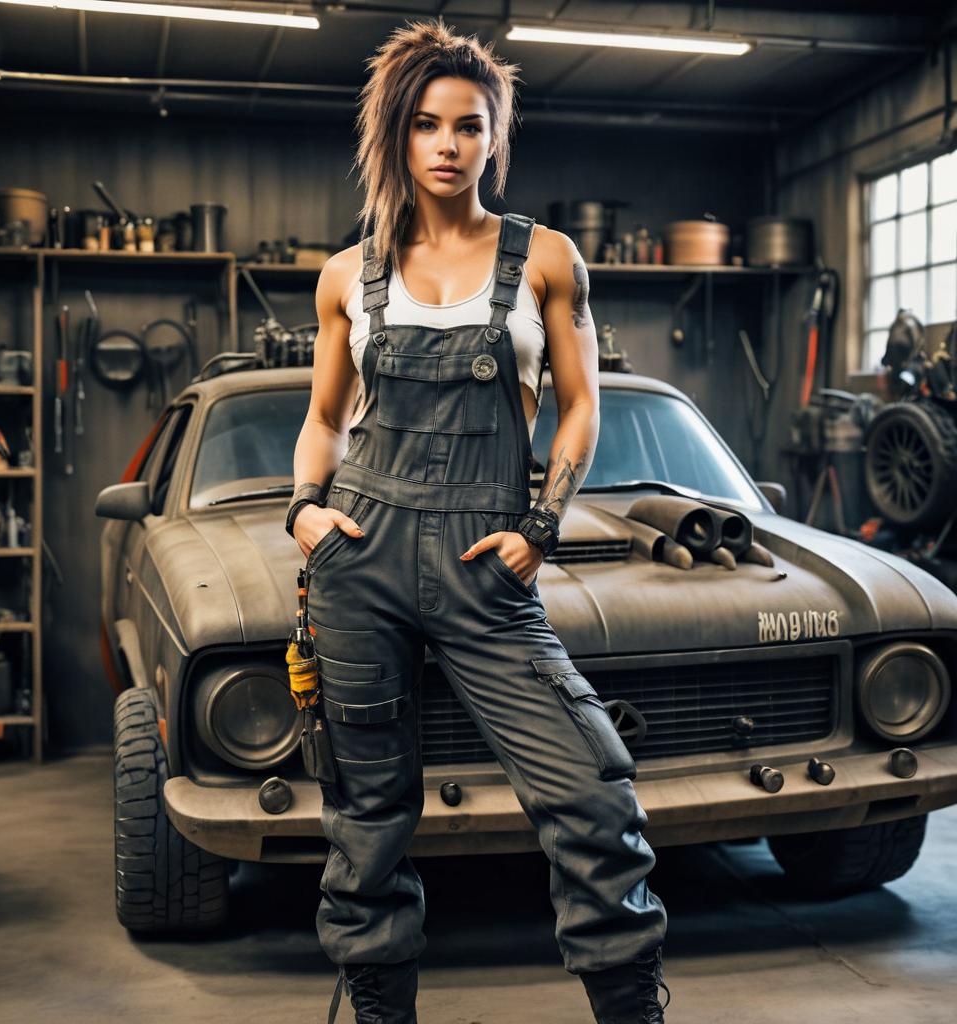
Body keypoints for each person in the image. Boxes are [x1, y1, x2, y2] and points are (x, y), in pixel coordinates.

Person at [286, 19, 669, 1024]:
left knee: (592, 799)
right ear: (397, 137)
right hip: (357, 560)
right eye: (426, 125)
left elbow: (582, 403)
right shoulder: (345, 276)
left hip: (484, 568)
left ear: (494, 136)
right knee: (366, 819)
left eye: (468, 124)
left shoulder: (544, 259)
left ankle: (633, 1011)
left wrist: (541, 527)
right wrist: (303, 511)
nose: (447, 144)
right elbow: (324, 420)